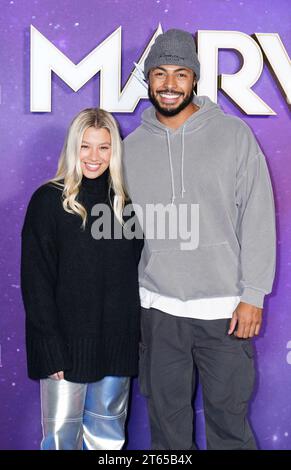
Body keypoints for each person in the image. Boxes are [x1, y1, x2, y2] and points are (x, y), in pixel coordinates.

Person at [123, 29, 276, 450]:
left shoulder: (234, 136)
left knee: (230, 426)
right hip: (158, 314)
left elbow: (259, 216)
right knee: (167, 432)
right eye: (159, 73)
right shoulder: (130, 149)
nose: (169, 84)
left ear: (195, 80)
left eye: (180, 74)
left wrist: (254, 294)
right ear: (148, 81)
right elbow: (121, 233)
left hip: (225, 311)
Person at [21, 108, 143, 450]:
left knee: (108, 442)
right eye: (85, 146)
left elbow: (132, 276)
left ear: (113, 151)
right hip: (65, 352)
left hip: (115, 351)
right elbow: (36, 282)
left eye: (103, 147)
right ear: (73, 148)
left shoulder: (124, 207)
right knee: (60, 441)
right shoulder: (48, 202)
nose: (94, 157)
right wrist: (50, 348)